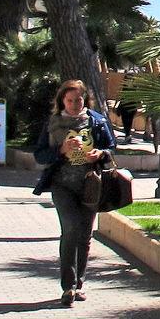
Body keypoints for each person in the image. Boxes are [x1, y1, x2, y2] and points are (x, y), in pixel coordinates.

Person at [33, 79, 116, 307]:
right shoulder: (53, 123)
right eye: (69, 100)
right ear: (62, 101)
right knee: (70, 229)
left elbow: (111, 146)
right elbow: (39, 154)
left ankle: (79, 284)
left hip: (91, 185)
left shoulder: (96, 121)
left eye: (78, 100)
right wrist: (61, 149)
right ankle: (68, 287)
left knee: (85, 234)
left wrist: (100, 153)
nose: (74, 104)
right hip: (62, 185)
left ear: (85, 99)